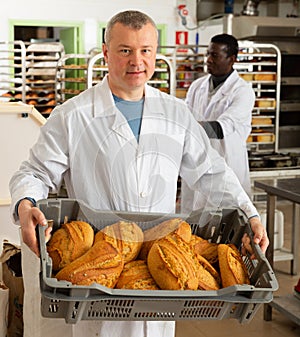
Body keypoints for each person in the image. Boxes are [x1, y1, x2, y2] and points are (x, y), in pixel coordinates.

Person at [9, 10, 268, 337]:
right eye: (125, 50)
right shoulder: (72, 116)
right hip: (98, 283)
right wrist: (25, 203)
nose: (137, 60)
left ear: (155, 54)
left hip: (158, 278)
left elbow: (212, 173)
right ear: (106, 53)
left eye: (145, 50)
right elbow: (34, 172)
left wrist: (250, 214)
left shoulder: (176, 113)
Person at [181, 34, 254, 214]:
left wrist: (184, 128)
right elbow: (184, 116)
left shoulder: (243, 92)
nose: (208, 60)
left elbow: (221, 128)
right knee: (193, 227)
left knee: (227, 225)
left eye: (215, 55)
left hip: (227, 165)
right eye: (208, 54)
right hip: (197, 165)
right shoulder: (197, 86)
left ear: (232, 59)